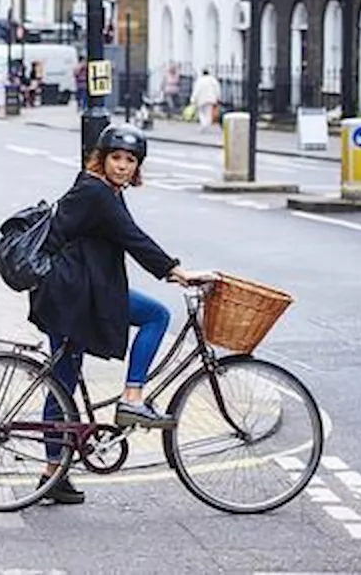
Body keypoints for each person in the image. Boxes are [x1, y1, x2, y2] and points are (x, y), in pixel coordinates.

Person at [28, 123, 208, 505]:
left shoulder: (103, 190)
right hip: (73, 293)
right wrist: (177, 271)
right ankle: (131, 398)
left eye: (130, 160)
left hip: (81, 289)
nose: (123, 166)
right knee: (153, 317)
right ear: (103, 158)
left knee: (65, 381)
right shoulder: (96, 192)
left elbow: (125, 235)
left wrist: (169, 268)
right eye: (117, 158)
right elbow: (133, 238)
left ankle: (52, 473)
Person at [190, 68, 222, 132]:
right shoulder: (213, 80)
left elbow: (196, 90)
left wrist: (193, 99)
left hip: (201, 99)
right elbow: (217, 89)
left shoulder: (199, 80)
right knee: (208, 113)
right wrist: (218, 97)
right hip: (211, 98)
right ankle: (207, 125)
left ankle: (204, 124)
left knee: (200, 112)